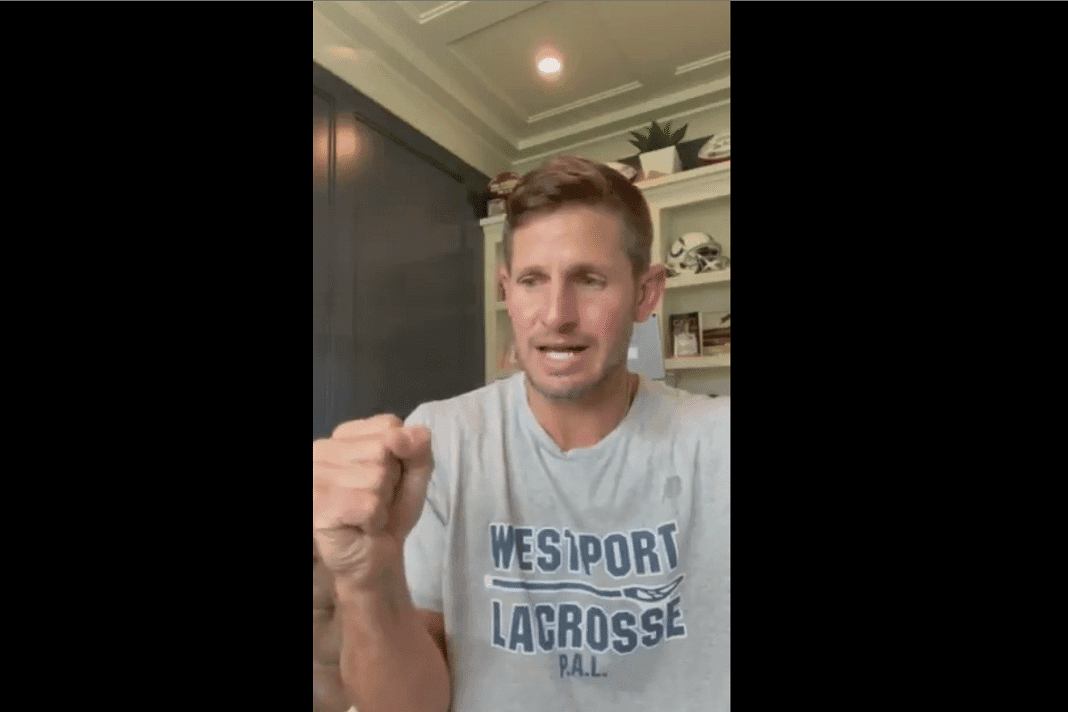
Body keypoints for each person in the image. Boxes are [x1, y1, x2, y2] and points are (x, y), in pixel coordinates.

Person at [312, 155, 730, 712]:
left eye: (589, 279)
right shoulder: (440, 441)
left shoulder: (717, 443)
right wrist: (368, 578)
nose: (556, 315)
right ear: (507, 291)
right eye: (533, 281)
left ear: (646, 294)